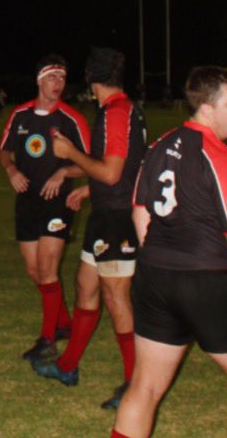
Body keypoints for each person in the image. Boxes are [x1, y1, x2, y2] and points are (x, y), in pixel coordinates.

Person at [111, 66, 227, 438]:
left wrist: (165, 259)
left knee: (144, 385)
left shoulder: (159, 147)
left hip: (155, 277)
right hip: (210, 281)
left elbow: (140, 215)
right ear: (208, 107)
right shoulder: (222, 158)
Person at [36, 47, 147, 411]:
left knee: (117, 299)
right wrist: (90, 188)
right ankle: (67, 366)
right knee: (86, 286)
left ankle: (135, 383)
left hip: (115, 219)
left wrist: (70, 154)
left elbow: (113, 172)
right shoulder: (122, 109)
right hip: (106, 212)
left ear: (91, 78)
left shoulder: (115, 113)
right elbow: (126, 168)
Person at [0, 55, 90, 364]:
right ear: (39, 80)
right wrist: (11, 170)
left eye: (62, 79)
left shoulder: (71, 119)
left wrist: (63, 173)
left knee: (48, 269)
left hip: (58, 203)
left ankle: (47, 340)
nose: (58, 84)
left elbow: (90, 164)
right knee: (35, 271)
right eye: (52, 78)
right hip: (27, 200)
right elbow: (4, 151)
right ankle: (63, 323)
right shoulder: (20, 115)